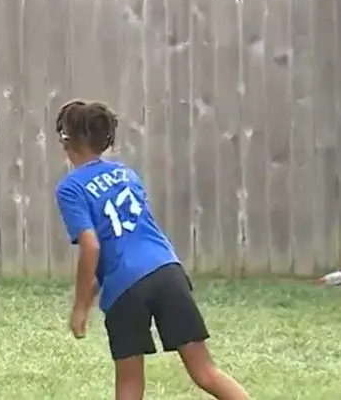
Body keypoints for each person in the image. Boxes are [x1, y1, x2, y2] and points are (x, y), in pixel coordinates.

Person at [54, 100, 249, 400]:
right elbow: (128, 240)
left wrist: (80, 306)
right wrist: (93, 291)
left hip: (125, 290)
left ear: (66, 141)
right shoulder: (126, 174)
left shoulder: (70, 188)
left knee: (130, 385)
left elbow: (92, 246)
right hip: (167, 270)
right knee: (205, 372)